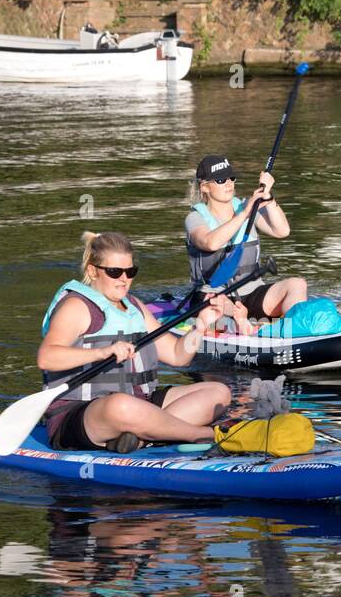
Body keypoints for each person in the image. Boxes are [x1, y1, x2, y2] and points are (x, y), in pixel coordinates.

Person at [38, 231, 232, 453]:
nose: (124, 279)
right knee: (119, 406)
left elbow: (178, 356)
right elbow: (47, 358)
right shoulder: (76, 307)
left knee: (218, 392)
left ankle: (141, 438)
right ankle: (203, 435)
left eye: (130, 272)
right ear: (92, 271)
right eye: (114, 272)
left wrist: (201, 325)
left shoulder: (134, 307)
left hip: (138, 405)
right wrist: (103, 352)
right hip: (81, 415)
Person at [185, 154, 308, 327]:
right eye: (220, 180)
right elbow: (210, 242)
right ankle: (239, 323)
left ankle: (297, 331)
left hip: (252, 292)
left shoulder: (246, 206)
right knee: (214, 303)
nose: (229, 183)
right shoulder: (195, 218)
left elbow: (282, 231)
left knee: (297, 284)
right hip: (215, 294)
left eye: (231, 178)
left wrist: (269, 199)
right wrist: (244, 214)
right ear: (205, 187)